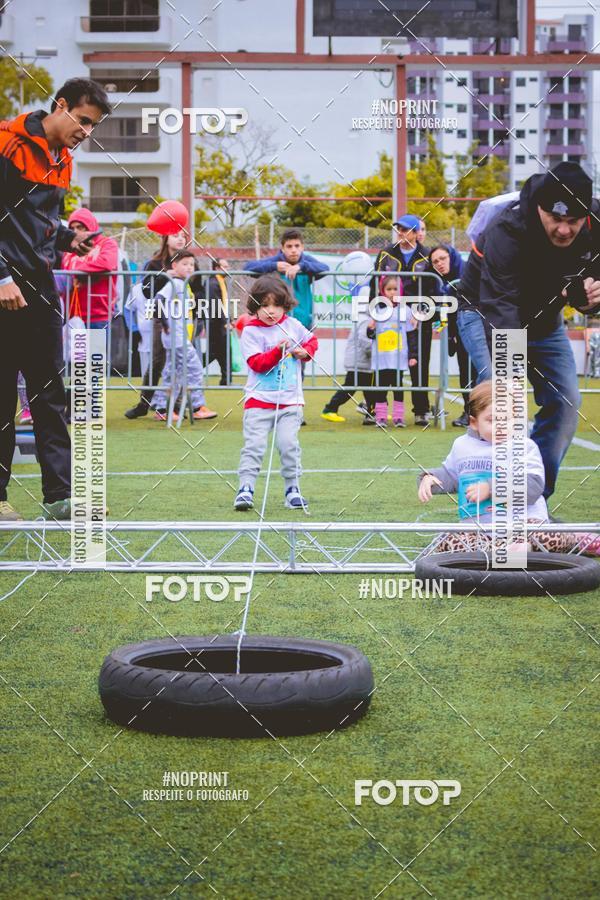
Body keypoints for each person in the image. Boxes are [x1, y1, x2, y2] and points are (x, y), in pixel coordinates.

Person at [0, 77, 110, 522]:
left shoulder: (63, 158)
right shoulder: (7, 143)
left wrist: (71, 239)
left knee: (50, 393)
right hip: (4, 288)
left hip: (42, 291)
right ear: (60, 106)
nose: (86, 132)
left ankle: (60, 498)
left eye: (93, 127)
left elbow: (38, 224)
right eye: (83, 121)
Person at [458, 162, 600, 498]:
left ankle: (531, 499)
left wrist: (590, 300)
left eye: (574, 222)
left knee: (566, 402)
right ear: (540, 209)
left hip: (544, 318)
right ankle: (485, 501)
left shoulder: (596, 223)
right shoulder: (506, 229)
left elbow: (585, 290)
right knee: (500, 405)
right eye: (556, 219)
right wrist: (509, 379)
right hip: (485, 311)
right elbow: (501, 308)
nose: (565, 230)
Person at [417, 380, 599, 555]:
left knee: (547, 536)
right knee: (449, 540)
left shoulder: (524, 446)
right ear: (474, 422)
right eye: (492, 420)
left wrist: (491, 489)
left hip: (524, 526)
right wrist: (430, 478)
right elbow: (451, 475)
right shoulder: (462, 446)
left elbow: (534, 486)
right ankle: (498, 551)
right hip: (481, 530)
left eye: (507, 419)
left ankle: (573, 539)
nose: (501, 426)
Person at [234, 275, 318, 512]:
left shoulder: (292, 325)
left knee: (288, 444)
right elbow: (258, 364)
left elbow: (312, 341)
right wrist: (278, 351)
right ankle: (246, 489)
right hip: (259, 402)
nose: (271, 311)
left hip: (290, 401)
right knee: (254, 446)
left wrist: (305, 351)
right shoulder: (250, 331)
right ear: (255, 306)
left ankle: (293, 489)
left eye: (276, 305)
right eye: (264, 305)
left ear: (285, 305)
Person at [370, 214, 432, 425]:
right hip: (388, 317)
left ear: (416, 233)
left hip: (417, 317)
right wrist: (375, 313)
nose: (401, 233)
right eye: (399, 229)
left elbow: (432, 288)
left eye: (406, 230)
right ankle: (375, 409)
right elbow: (374, 284)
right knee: (384, 364)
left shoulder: (427, 255)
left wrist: (420, 313)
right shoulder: (386, 253)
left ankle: (421, 410)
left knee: (419, 362)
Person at [124, 230, 187, 419]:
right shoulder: (154, 263)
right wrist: (165, 275)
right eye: (175, 234)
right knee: (159, 361)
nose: (180, 238)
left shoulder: (188, 261)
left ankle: (177, 406)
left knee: (184, 363)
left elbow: (198, 286)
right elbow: (146, 291)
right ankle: (145, 403)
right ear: (165, 238)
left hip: (184, 320)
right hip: (162, 319)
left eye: (183, 235)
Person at [149, 250, 217, 422]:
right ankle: (196, 406)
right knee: (194, 368)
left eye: (191, 264)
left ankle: (162, 408)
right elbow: (157, 302)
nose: (189, 267)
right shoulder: (175, 284)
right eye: (184, 264)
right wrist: (165, 325)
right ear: (174, 266)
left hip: (178, 337)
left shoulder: (183, 285)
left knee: (173, 372)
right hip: (176, 338)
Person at [243, 228, 328, 330]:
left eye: (297, 246)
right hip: (278, 321)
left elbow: (325, 268)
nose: (293, 250)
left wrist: (301, 266)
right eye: (289, 246)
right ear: (282, 249)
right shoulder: (276, 261)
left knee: (304, 345)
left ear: (302, 247)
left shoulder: (306, 261)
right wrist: (274, 266)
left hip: (304, 320)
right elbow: (248, 267)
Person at [427, 244, 474, 427]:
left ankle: (491, 413)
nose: (439, 264)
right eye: (435, 262)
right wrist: (448, 333)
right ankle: (469, 413)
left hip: (481, 329)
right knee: (465, 371)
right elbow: (439, 311)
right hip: (458, 332)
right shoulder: (437, 283)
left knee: (482, 371)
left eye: (443, 259)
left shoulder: (468, 272)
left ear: (451, 257)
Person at [367, 275, 418, 428]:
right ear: (383, 291)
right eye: (388, 289)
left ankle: (398, 418)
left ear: (400, 291)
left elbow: (411, 335)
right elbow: (370, 334)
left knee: (398, 388)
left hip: (398, 358)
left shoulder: (406, 310)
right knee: (380, 389)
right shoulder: (376, 310)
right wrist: (371, 328)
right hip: (381, 359)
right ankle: (381, 417)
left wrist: (413, 355)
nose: (392, 292)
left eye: (395, 289)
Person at [61, 208, 119, 328]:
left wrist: (75, 274)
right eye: (71, 228)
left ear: (90, 226)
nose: (75, 231)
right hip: (72, 317)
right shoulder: (69, 249)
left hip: (97, 316)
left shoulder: (106, 243)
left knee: (95, 347)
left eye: (80, 227)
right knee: (72, 347)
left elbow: (107, 263)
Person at [320, 297, 373, 423]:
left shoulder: (365, 318)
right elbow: (365, 341)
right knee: (351, 387)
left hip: (361, 361)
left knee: (368, 388)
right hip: (360, 361)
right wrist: (377, 351)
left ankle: (372, 412)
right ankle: (330, 409)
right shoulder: (366, 320)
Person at [203, 257, 231, 385]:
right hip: (215, 324)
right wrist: (225, 322)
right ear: (216, 268)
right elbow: (215, 305)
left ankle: (226, 380)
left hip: (219, 323)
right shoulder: (213, 283)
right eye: (224, 266)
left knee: (221, 353)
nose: (228, 268)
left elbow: (223, 303)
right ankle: (226, 380)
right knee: (215, 353)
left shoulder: (220, 281)